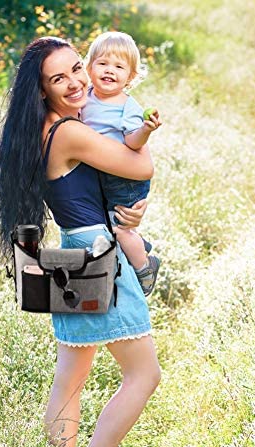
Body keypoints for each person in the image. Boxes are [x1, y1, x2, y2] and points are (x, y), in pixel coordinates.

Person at [0, 37, 161, 447]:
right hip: (100, 255)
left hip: (71, 251)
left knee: (71, 376)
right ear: (42, 90)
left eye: (76, 68)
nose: (74, 82)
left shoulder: (42, 128)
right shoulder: (68, 132)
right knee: (144, 376)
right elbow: (139, 167)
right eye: (57, 78)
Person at [82, 31, 161, 296]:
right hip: (103, 173)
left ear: (130, 76)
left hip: (124, 180)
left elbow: (133, 142)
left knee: (121, 228)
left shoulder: (127, 106)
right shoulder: (86, 97)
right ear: (89, 67)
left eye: (119, 67)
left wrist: (146, 130)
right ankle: (139, 245)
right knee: (109, 225)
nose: (109, 71)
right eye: (103, 63)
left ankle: (144, 267)